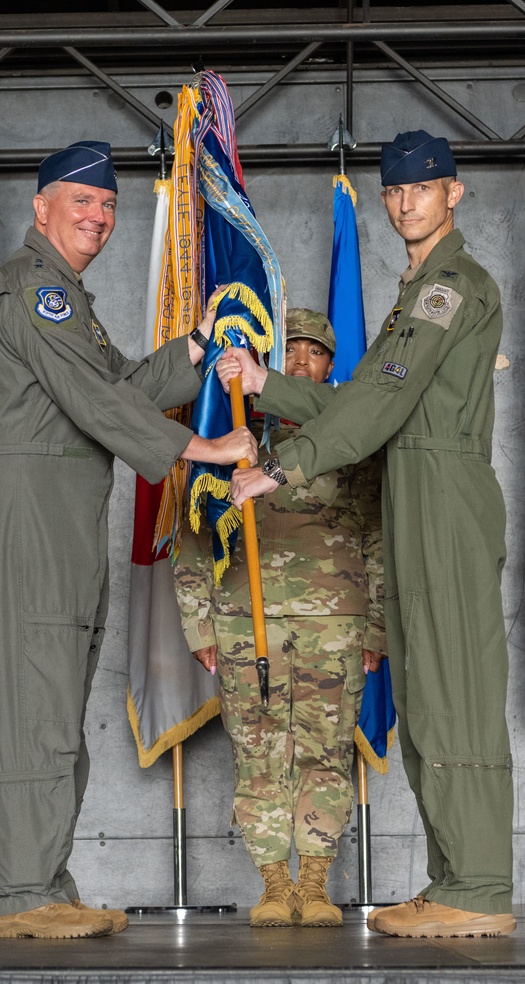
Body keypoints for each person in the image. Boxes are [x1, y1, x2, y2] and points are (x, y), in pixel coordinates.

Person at [0, 140, 256, 940]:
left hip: (57, 517)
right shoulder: (30, 293)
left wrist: (196, 345)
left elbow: (119, 386)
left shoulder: (68, 300)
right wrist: (204, 449)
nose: (99, 217)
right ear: (41, 207)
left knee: (54, 706)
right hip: (26, 520)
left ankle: (45, 882)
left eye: (111, 206)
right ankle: (20, 895)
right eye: (82, 202)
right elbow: (99, 404)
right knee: (30, 707)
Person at [219, 131, 515, 938]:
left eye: (422, 189)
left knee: (455, 699)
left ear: (455, 195)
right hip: (414, 495)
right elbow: (363, 400)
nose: (404, 202)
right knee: (426, 705)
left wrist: (283, 469)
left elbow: (378, 404)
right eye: (393, 191)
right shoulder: (412, 291)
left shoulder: (448, 288)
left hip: (445, 497)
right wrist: (267, 384)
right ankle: (455, 879)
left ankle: (481, 887)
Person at [175, 309, 386, 928]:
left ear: (330, 364)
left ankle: (316, 882)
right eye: (288, 351)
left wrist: (376, 626)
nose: (299, 363)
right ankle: (273, 884)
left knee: (325, 752)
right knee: (258, 751)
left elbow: (377, 533)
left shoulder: (353, 433)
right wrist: (199, 622)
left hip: (334, 623)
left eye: (313, 353)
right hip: (246, 619)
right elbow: (194, 528)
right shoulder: (231, 429)